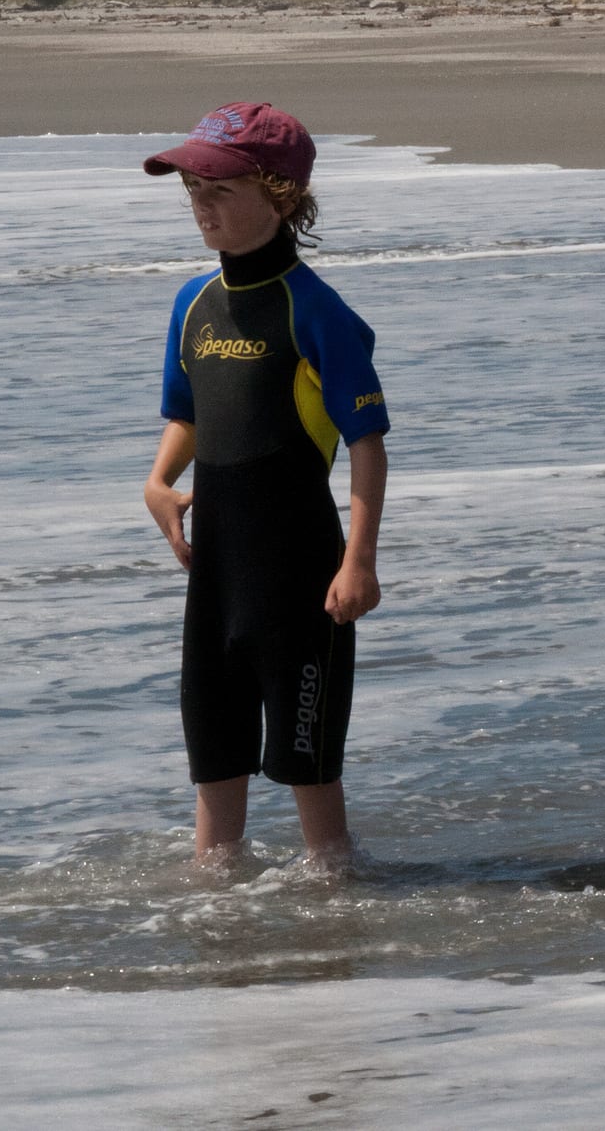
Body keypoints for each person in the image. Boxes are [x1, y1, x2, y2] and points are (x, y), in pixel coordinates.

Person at [140, 102, 390, 869]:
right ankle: (220, 942)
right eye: (191, 188)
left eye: (217, 188)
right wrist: (158, 481)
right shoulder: (192, 303)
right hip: (215, 576)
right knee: (214, 758)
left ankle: (338, 923)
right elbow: (189, 411)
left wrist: (359, 560)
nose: (199, 204)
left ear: (279, 193)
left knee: (307, 766)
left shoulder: (316, 311)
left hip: (301, 578)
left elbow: (367, 445)